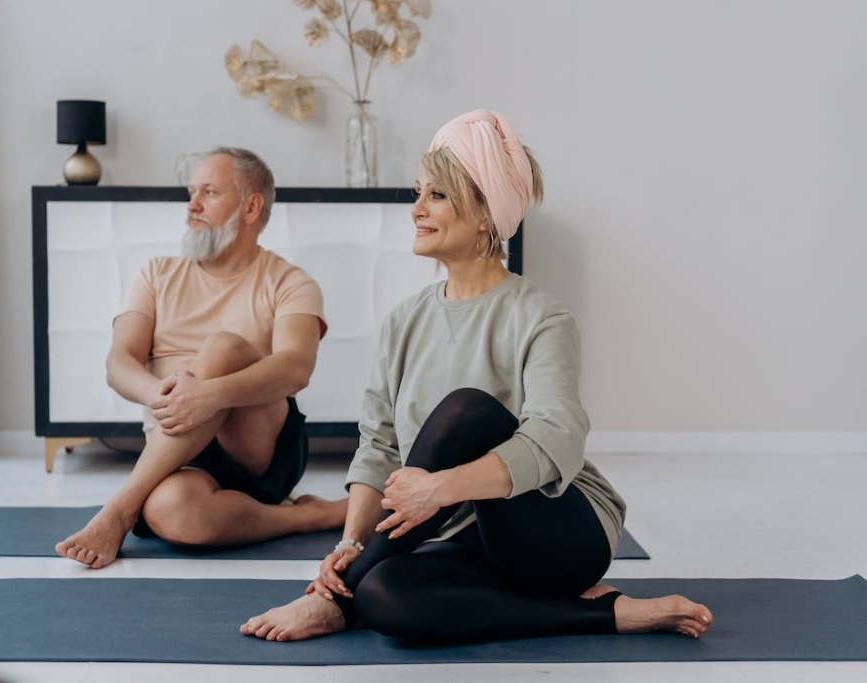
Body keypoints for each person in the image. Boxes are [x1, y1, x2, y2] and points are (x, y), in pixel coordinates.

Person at [241, 111, 713, 642]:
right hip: (467, 540)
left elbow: (558, 435)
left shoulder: (540, 316)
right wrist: (350, 545)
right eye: (419, 193)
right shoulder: (404, 321)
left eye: (437, 196)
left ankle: (332, 598)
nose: (417, 209)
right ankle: (612, 615)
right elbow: (379, 446)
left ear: (486, 212)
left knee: (465, 411)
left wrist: (440, 489)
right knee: (383, 597)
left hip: (559, 535)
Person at [56, 147, 347, 569]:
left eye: (208, 192)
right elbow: (118, 362)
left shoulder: (291, 282)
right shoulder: (155, 274)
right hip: (179, 445)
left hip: (260, 447)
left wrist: (210, 395)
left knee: (223, 347)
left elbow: (296, 367)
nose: (192, 205)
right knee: (172, 513)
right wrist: (161, 394)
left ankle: (118, 509)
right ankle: (308, 515)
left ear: (251, 206)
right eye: (192, 192)